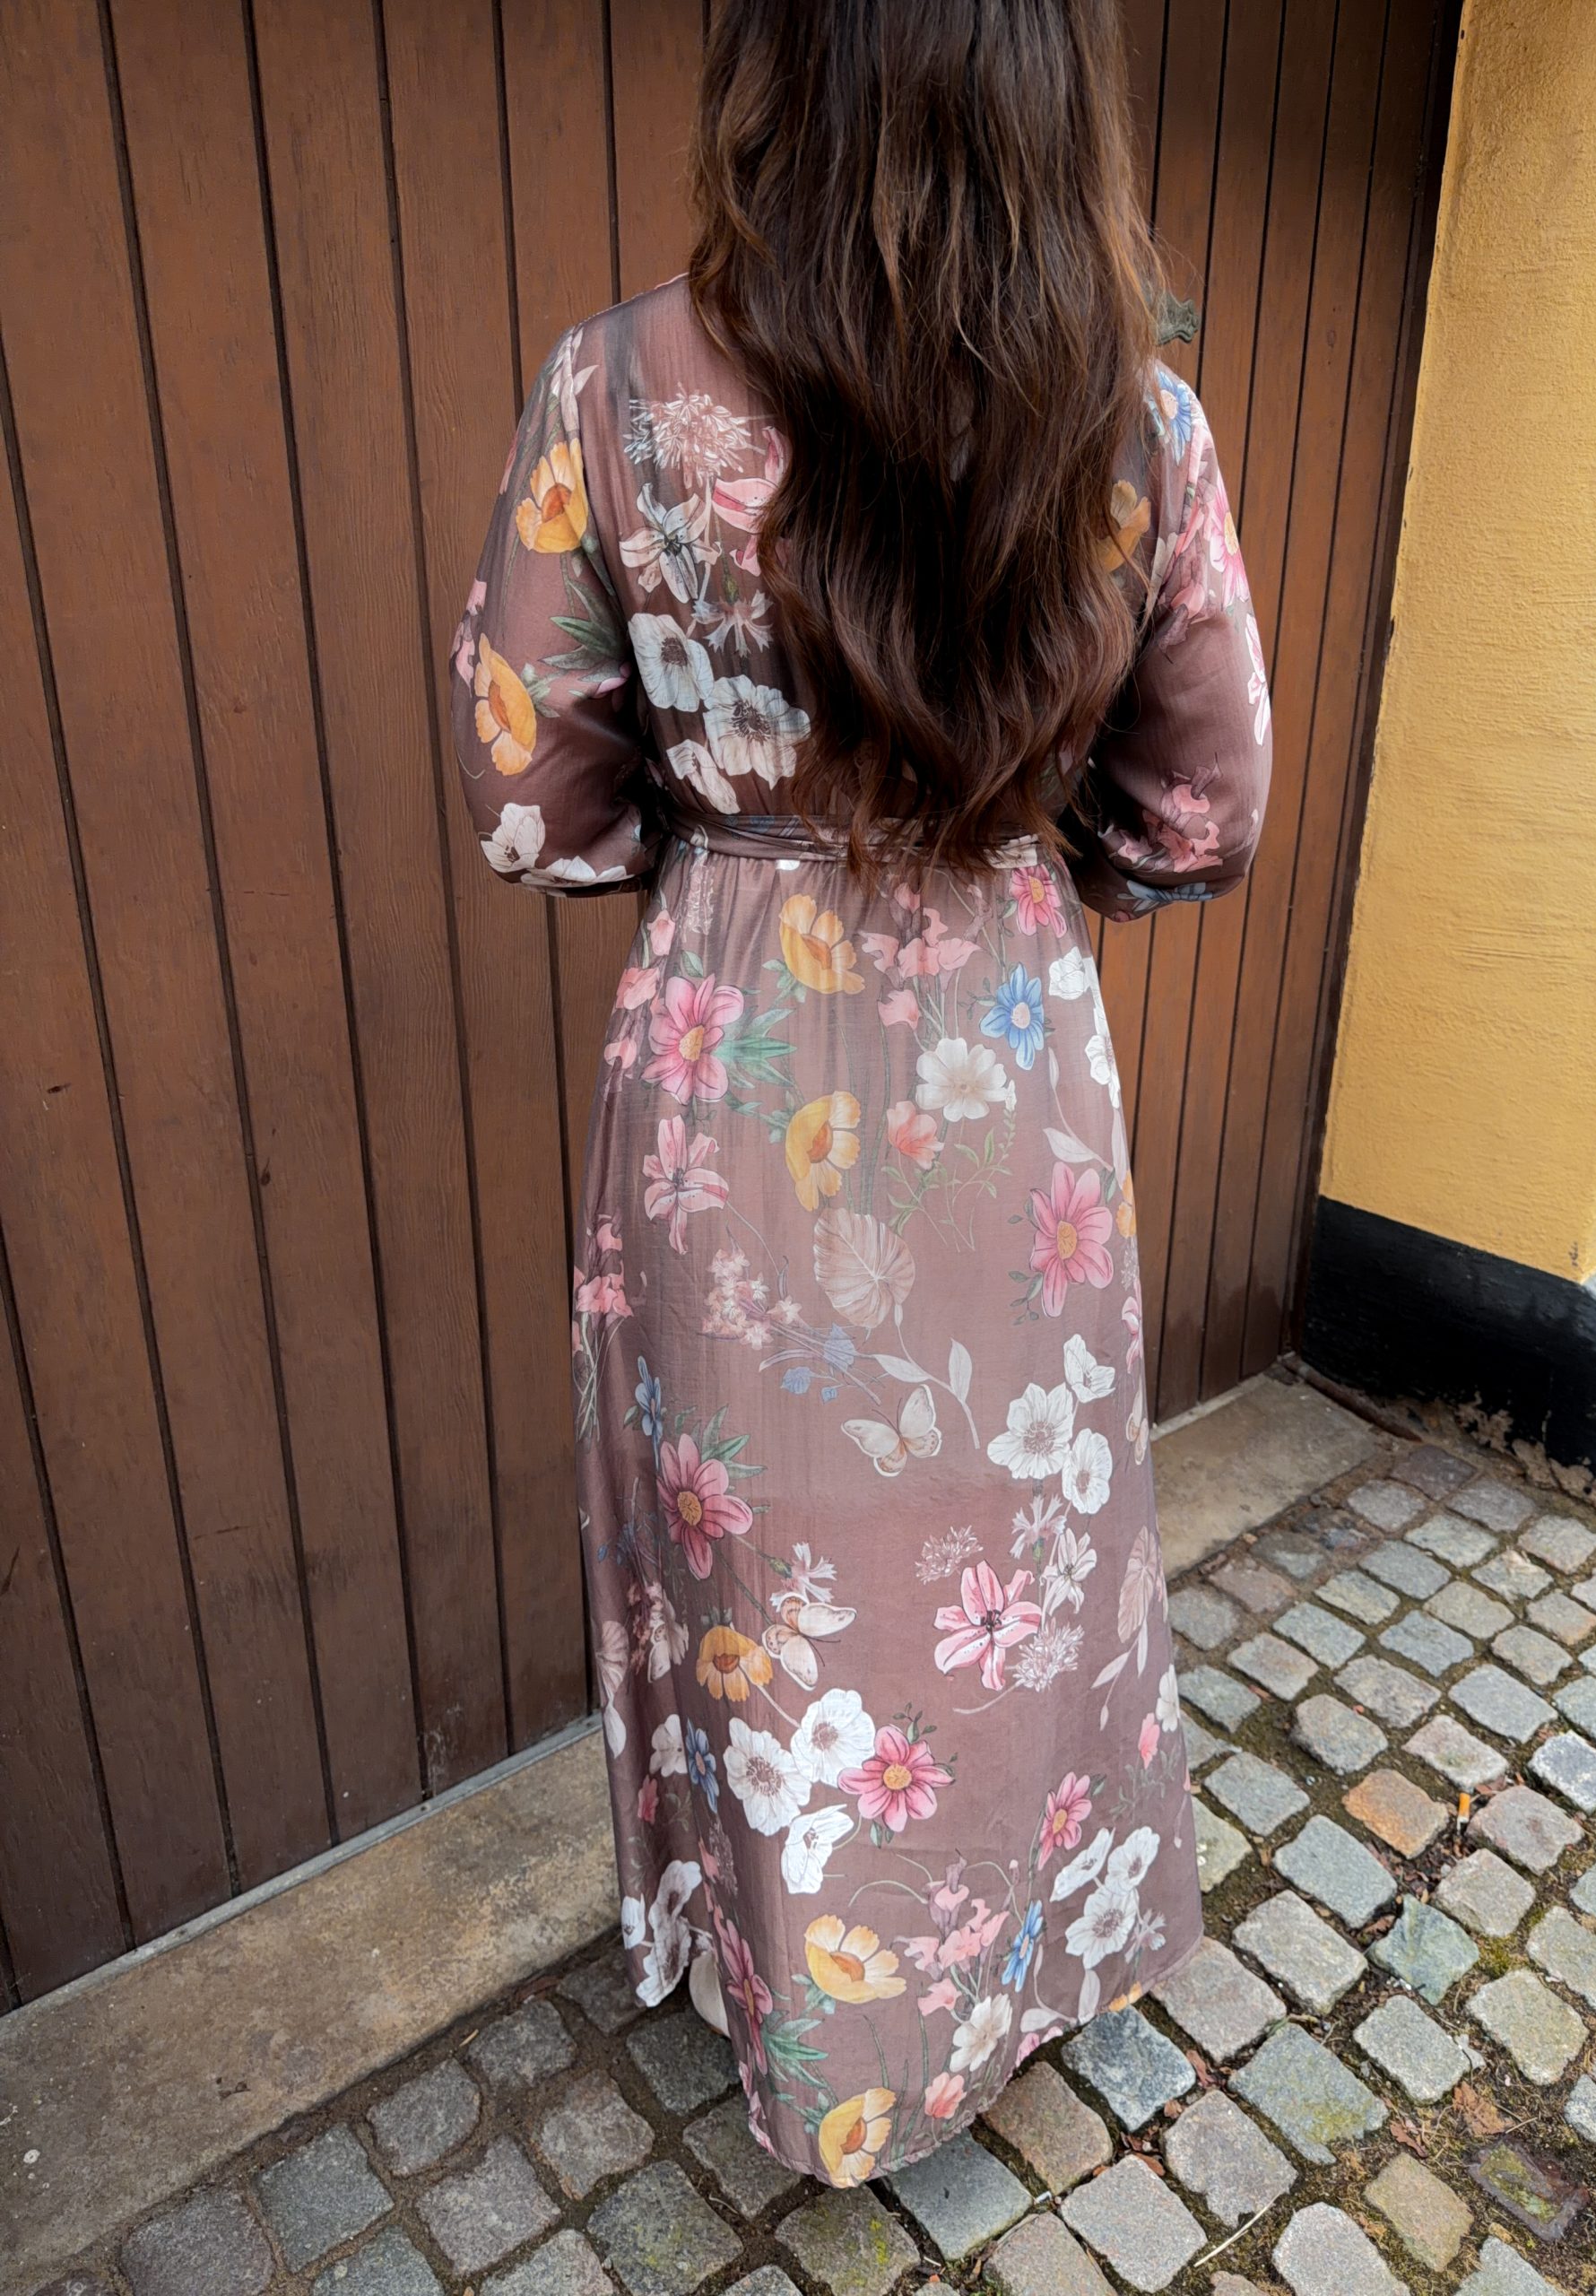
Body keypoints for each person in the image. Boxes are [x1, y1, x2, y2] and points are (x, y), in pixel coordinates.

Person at [451, 0, 1270, 2189]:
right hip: (1011, 1056)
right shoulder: (1139, 423)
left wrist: (727, 845)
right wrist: (1034, 863)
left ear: (773, 79)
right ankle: (998, 1969)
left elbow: (533, 804)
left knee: (767, 1556)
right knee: (1013, 1546)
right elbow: (1205, 806)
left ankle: (798, 1995)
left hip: (733, 1062)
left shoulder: (614, 389)